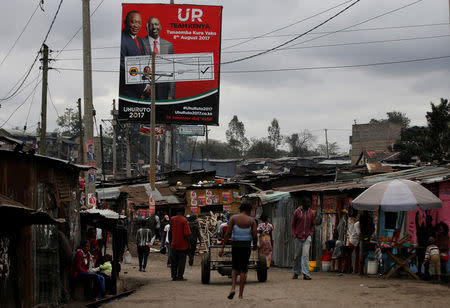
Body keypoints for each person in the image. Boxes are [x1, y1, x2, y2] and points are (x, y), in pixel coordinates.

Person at [220, 201, 257, 300]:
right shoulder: (252, 221)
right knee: (243, 270)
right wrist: (255, 246)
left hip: (236, 245)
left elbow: (227, 234)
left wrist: (222, 248)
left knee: (235, 268)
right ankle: (240, 295)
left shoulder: (233, 218)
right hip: (246, 246)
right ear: (248, 210)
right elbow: (254, 235)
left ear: (241, 209)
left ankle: (232, 288)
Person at [142, 17, 176, 100]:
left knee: (162, 112)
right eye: (151, 25)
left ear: (160, 27)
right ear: (147, 28)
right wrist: (141, 90)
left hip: (164, 89)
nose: (154, 27)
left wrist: (171, 94)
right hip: (146, 90)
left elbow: (172, 70)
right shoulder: (140, 42)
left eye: (156, 24)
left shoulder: (168, 45)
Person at [120, 10, 147, 99]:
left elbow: (145, 64)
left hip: (141, 94)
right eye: (133, 22)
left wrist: (147, 84)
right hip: (128, 93)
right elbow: (123, 68)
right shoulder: (121, 39)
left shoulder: (139, 40)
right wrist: (144, 88)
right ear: (125, 22)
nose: (136, 25)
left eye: (139, 23)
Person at [291, 199, 314, 280]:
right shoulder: (297, 212)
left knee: (305, 255)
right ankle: (296, 272)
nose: (309, 204)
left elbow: (312, 225)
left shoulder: (311, 213)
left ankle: (306, 274)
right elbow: (293, 225)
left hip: (307, 237)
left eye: (309, 203)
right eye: (307, 202)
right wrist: (294, 235)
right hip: (298, 237)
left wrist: (310, 233)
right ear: (303, 203)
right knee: (297, 256)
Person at [170, 208, 191, 281]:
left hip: (174, 244)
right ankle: (180, 276)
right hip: (182, 245)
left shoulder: (172, 219)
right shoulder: (184, 220)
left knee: (174, 261)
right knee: (181, 261)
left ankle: (173, 276)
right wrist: (189, 244)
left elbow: (171, 230)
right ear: (183, 212)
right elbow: (187, 234)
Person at [415, 212, 434, 277]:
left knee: (426, 260)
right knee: (420, 260)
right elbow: (419, 233)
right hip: (421, 245)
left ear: (431, 220)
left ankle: (426, 273)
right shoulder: (423, 226)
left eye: (428, 219)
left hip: (427, 247)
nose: (427, 220)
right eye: (426, 219)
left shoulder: (431, 228)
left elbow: (431, 238)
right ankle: (419, 272)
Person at [359, 211, 374, 276]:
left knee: (364, 254)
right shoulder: (367, 219)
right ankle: (361, 271)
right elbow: (371, 228)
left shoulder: (362, 219)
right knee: (363, 254)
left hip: (365, 237)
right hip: (365, 237)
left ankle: (361, 271)